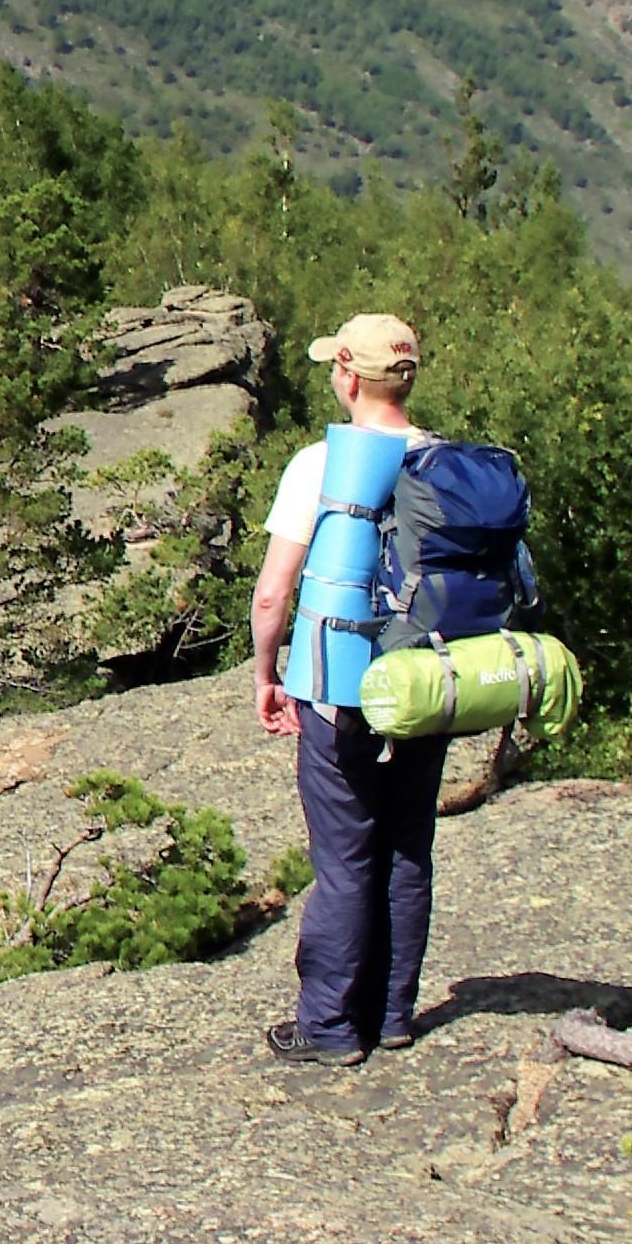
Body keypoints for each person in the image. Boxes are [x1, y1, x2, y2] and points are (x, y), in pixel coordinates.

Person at [249, 312, 445, 1067]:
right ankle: (393, 1014)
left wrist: (268, 675)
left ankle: (330, 1027)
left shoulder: (318, 464)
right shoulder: (444, 462)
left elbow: (274, 594)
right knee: (407, 847)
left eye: (334, 364)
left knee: (345, 859)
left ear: (350, 377)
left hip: (339, 689)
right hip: (425, 687)